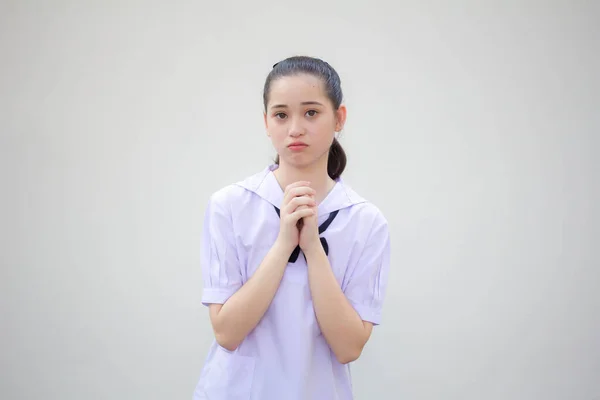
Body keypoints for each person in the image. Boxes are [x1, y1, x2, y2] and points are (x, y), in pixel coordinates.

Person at [193, 56, 391, 400]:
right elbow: (227, 332)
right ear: (266, 123)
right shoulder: (229, 206)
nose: (295, 128)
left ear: (339, 118)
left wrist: (313, 249)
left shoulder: (366, 222)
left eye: (311, 112)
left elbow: (348, 347)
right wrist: (284, 244)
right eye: (281, 115)